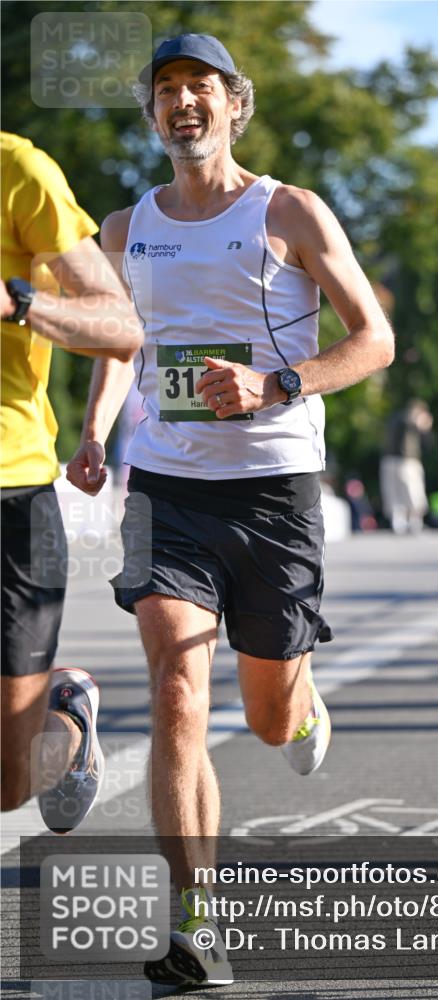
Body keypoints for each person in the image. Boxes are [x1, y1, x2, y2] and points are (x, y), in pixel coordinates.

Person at [65, 33, 394, 985]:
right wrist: (95, 430)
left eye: (199, 87)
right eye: (165, 89)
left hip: (274, 489)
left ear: (234, 105)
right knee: (174, 686)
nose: (182, 103)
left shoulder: (286, 209)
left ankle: (297, 699)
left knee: (263, 718)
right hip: (163, 485)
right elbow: (116, 338)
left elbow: (373, 341)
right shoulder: (127, 227)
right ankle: (196, 925)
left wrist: (273, 384)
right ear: (153, 113)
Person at [0, 132, 143, 832]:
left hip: (12, 489)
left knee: (9, 780)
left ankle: (65, 712)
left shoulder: (19, 170)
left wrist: (16, 302)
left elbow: (119, 326)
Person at [380, 399, 433, 534]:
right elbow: (409, 422)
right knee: (402, 493)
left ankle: (413, 522)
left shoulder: (398, 418)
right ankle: (400, 522)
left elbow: (427, 443)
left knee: (411, 493)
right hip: (401, 461)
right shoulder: (404, 419)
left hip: (404, 460)